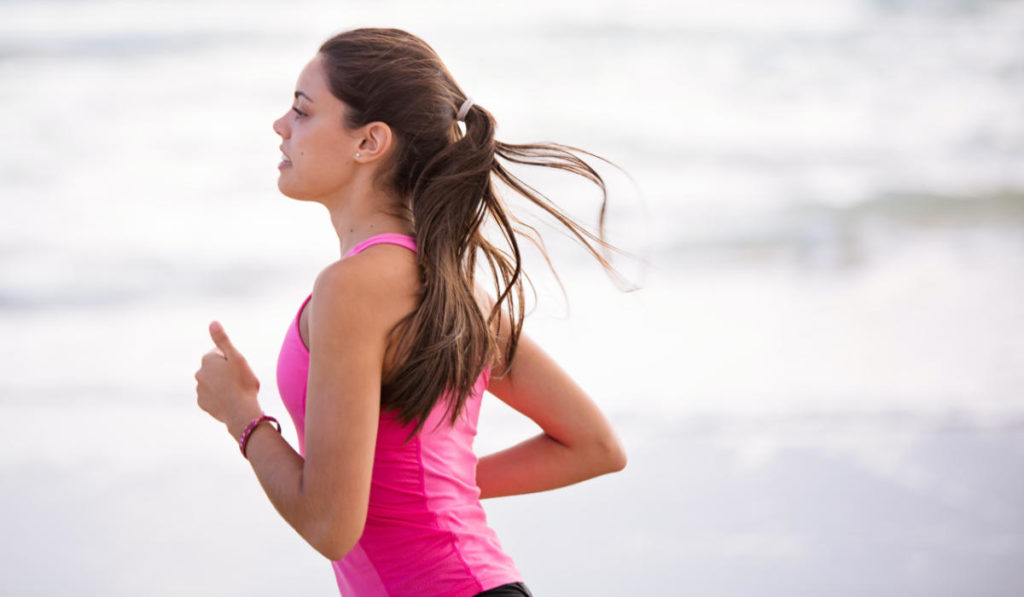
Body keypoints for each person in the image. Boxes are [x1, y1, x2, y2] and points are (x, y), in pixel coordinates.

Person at [194, 27, 627, 597]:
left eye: (302, 111)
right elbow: (593, 446)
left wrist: (241, 416)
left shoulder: (352, 288)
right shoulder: (445, 281)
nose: (280, 126)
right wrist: (430, 493)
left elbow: (329, 527)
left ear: (369, 142)